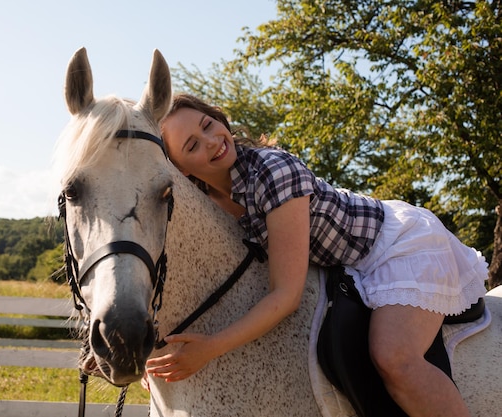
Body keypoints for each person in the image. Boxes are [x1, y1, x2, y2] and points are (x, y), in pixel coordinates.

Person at [145, 93, 488, 417]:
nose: (210, 141)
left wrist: (210, 347)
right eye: (191, 145)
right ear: (181, 170)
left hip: (396, 246)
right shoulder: (209, 203)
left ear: (218, 118)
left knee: (394, 357)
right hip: (348, 265)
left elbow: (286, 295)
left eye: (207, 125)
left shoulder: (272, 172)